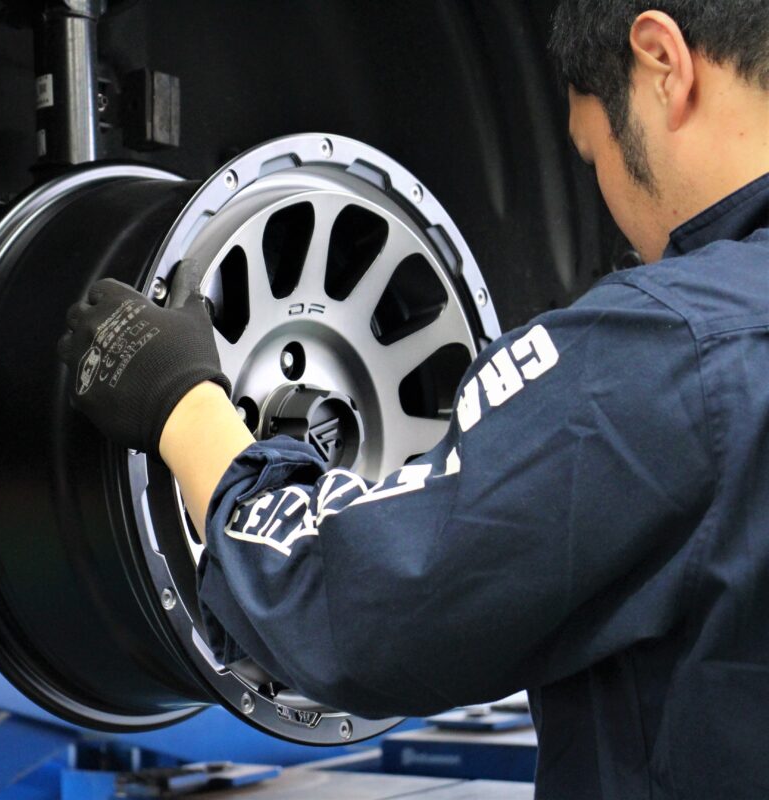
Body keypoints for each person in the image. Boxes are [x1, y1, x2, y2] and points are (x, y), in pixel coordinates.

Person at [57, 2, 769, 797]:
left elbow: (355, 610)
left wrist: (181, 403)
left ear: (662, 63)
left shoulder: (674, 349)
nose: (611, 204)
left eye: (591, 152)